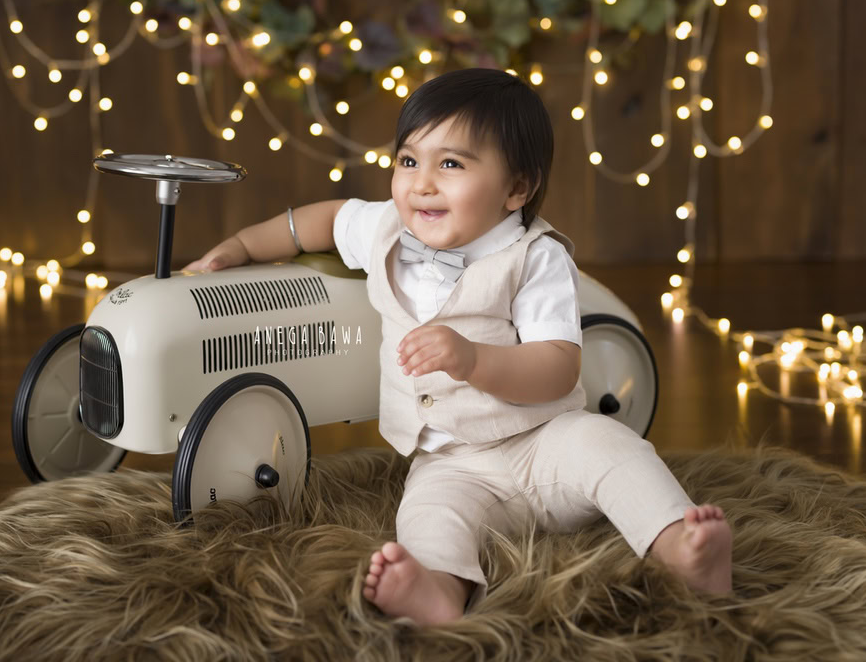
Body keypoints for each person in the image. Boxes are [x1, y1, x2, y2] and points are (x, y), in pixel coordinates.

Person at [182, 67, 732, 626]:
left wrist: (473, 359)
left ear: (516, 189)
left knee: (612, 447)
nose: (421, 183)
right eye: (408, 160)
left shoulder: (535, 257)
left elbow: (558, 368)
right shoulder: (387, 230)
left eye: (450, 164)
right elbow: (318, 222)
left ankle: (679, 545)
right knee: (427, 514)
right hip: (451, 463)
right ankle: (438, 589)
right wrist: (241, 246)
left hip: (545, 443)